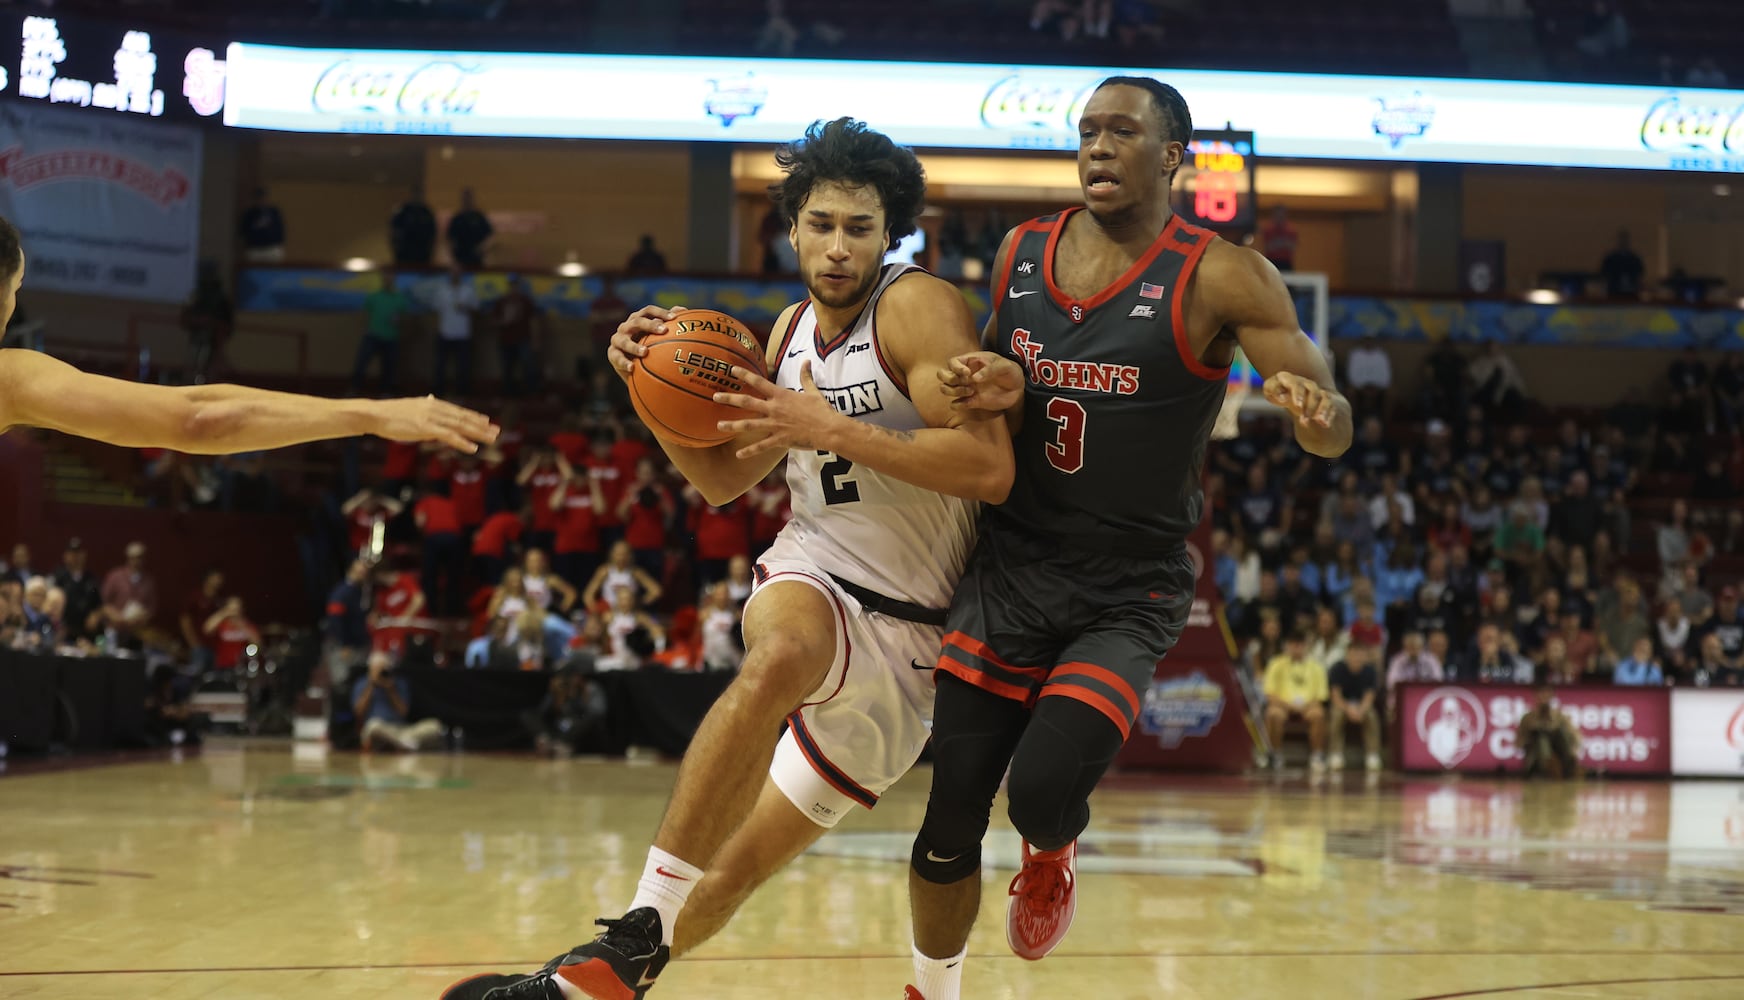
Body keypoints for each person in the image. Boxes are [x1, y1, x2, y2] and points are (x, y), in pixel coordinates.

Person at [445, 117, 1013, 1000]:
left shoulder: (917, 307)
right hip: (815, 575)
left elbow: (988, 466)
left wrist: (827, 427)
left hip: (912, 646)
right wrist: (641, 385)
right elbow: (719, 480)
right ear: (789, 227)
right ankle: (631, 928)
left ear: (889, 235)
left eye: (858, 229)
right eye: (819, 224)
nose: (835, 248)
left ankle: (623, 968)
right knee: (781, 651)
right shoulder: (786, 333)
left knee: (730, 879)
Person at [908, 76, 1349, 994]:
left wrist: (1316, 411)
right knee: (950, 810)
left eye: (1122, 132)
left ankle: (1051, 851)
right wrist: (987, 381)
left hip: (1128, 584)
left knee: (1036, 791)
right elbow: (996, 376)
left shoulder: (1225, 273)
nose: (1098, 148)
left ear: (1175, 157)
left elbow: (1331, 416)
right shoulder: (1023, 249)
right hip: (1012, 564)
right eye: (1087, 132)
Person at [1263, 629, 1330, 771]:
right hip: (1283, 705)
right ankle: (1275, 754)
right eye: (1293, 644)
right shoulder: (1276, 663)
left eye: (1300, 644)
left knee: (1318, 714)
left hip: (1308, 705)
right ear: (1287, 646)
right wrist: (1288, 706)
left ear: (1306, 646)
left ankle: (1317, 755)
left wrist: (1305, 706)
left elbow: (1321, 696)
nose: (1296, 648)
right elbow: (1270, 694)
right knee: (1273, 714)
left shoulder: (1317, 667)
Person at [1326, 639, 1383, 772]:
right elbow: (1336, 696)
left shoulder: (1370, 671)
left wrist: (1360, 710)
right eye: (1354, 654)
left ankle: (1372, 755)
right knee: (1336, 715)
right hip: (1342, 705)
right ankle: (1336, 754)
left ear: (1365, 656)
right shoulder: (1337, 669)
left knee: (1371, 715)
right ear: (1347, 654)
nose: (1357, 657)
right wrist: (1348, 709)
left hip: (1362, 705)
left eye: (1360, 654)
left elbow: (1369, 697)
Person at [390, 186, 438, 267]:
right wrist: (397, 249)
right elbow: (394, 232)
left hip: (422, 256)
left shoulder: (426, 213)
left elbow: (433, 235)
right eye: (416, 194)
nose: (417, 197)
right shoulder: (403, 211)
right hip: (405, 255)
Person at [447, 188, 493, 269]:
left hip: (477, 261)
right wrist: (452, 257)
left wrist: (483, 247)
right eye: (464, 198)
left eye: (468, 198)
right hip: (460, 260)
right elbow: (450, 238)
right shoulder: (457, 219)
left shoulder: (479, 217)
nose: (466, 200)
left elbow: (491, 236)